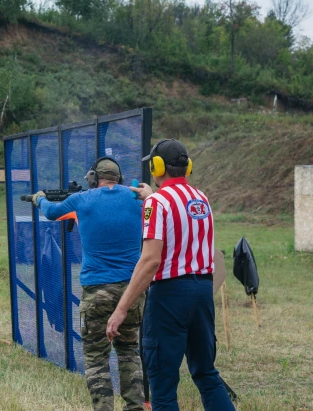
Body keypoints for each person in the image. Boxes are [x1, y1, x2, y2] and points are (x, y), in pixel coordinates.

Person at [106, 139, 236, 411]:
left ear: (157, 167)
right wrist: (150, 197)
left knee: (163, 385)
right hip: (202, 293)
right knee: (206, 374)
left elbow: (150, 260)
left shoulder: (158, 203)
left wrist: (121, 309)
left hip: (169, 298)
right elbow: (177, 211)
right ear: (187, 167)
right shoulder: (201, 198)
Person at [31, 157, 146, 411]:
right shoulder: (138, 199)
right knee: (129, 352)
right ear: (120, 179)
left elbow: (50, 212)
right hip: (132, 292)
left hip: (96, 292)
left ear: (95, 178)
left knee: (96, 358)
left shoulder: (82, 200)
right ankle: (136, 407)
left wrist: (39, 198)